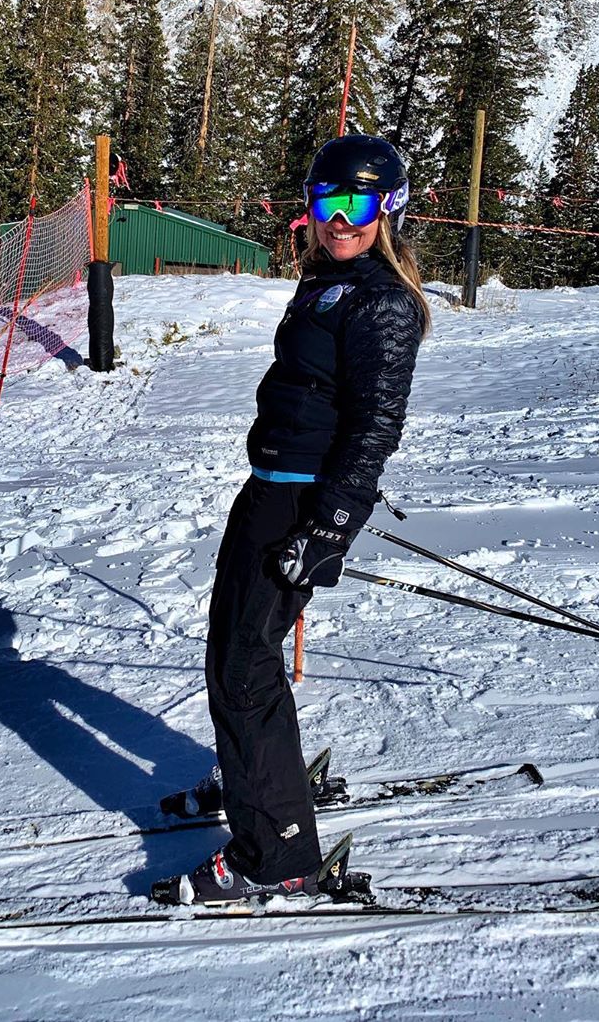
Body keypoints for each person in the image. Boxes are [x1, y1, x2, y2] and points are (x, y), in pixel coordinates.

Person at [155, 135, 432, 905]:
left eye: (358, 205)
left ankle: (275, 854)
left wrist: (329, 528)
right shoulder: (326, 281)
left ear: (390, 210)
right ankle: (255, 774)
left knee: (243, 669)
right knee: (235, 656)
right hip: (269, 489)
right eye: (325, 204)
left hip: (303, 503)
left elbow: (376, 427)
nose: (339, 220)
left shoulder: (382, 303)